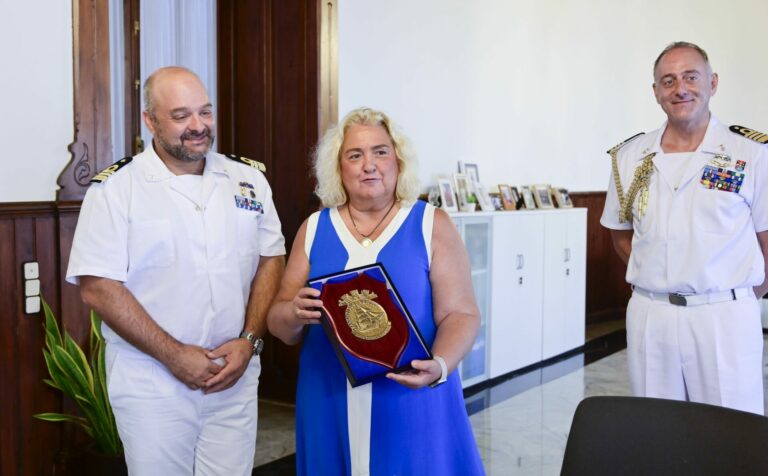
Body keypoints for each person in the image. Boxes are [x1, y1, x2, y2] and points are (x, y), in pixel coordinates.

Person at [66, 66, 286, 474]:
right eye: (181, 116)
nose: (198, 126)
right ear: (150, 120)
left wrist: (250, 341)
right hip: (153, 382)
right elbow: (97, 287)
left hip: (232, 374)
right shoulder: (116, 189)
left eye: (205, 112)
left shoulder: (248, 179)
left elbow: (271, 258)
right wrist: (174, 356)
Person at [267, 107, 485, 475]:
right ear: (338, 168)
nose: (369, 164)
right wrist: (292, 313)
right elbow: (279, 323)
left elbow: (461, 314)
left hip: (410, 394)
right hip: (327, 394)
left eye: (380, 151)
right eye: (355, 155)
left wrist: (440, 365)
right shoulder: (315, 227)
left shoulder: (431, 223)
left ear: (398, 161)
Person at [601, 42, 768, 415]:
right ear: (656, 92)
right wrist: (661, 273)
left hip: (723, 315)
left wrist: (737, 294)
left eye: (691, 77)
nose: (680, 89)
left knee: (731, 434)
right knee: (657, 431)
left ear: (713, 82)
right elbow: (620, 234)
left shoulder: (752, 153)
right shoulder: (630, 157)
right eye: (668, 80)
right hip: (652, 312)